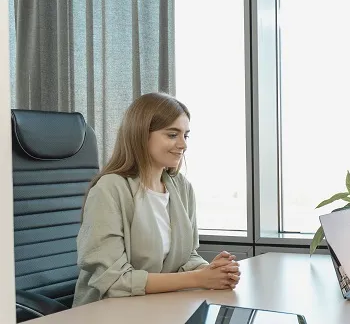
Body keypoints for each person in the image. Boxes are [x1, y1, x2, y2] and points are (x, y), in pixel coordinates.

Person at [73, 93, 240, 306]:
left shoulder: (181, 188)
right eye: (172, 135)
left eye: (185, 136)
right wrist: (198, 278)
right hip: (108, 313)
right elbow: (114, 281)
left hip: (157, 307)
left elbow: (186, 257)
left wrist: (212, 271)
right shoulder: (109, 189)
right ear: (141, 135)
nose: (183, 145)